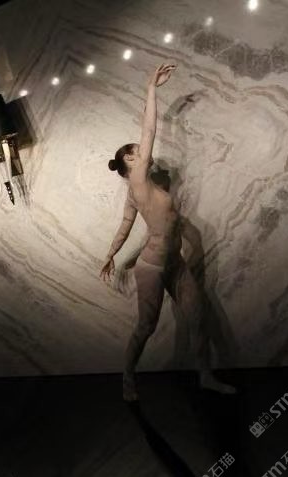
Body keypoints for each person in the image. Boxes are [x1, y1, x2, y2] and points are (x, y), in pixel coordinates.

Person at [100, 63, 235, 401]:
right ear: (130, 164)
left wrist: (112, 254)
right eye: (136, 152)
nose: (143, 152)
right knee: (146, 327)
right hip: (152, 268)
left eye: (139, 150)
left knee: (198, 317)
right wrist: (151, 88)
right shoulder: (138, 181)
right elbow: (149, 131)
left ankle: (205, 376)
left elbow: (126, 226)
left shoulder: (143, 191)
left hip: (175, 263)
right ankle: (127, 379)